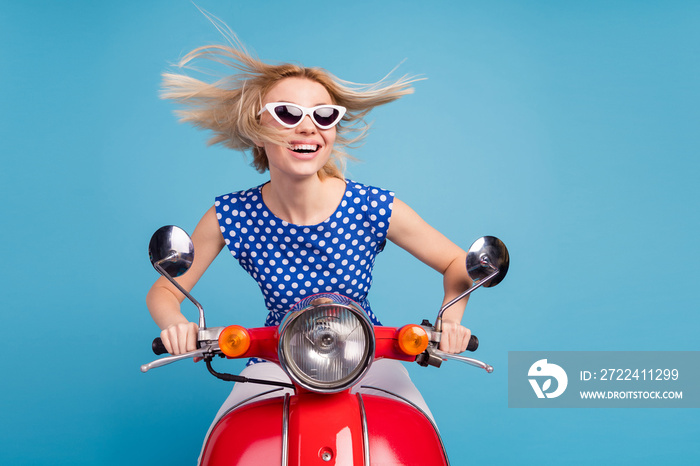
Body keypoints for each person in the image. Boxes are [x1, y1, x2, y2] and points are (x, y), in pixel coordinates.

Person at [146, 32, 473, 437]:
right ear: (256, 126)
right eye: (287, 113)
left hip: (368, 357)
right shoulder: (229, 215)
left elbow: (460, 263)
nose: (308, 128)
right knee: (225, 440)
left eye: (324, 115)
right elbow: (164, 292)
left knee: (416, 436)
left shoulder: (371, 205)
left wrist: (451, 320)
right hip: (275, 360)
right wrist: (176, 323)